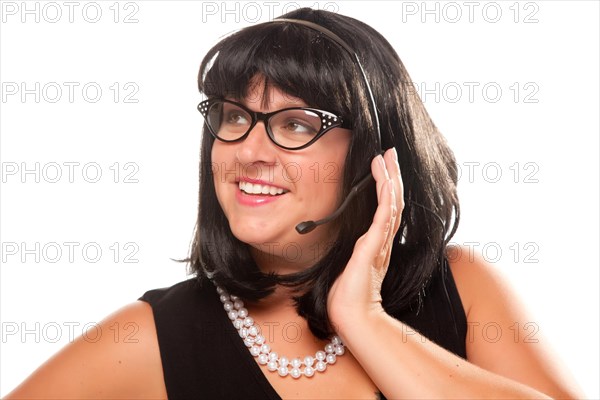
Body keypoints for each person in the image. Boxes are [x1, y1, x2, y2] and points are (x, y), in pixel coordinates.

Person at [4, 8, 582, 400]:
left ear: (374, 154)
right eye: (233, 117)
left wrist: (365, 320)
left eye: (294, 123)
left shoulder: (460, 286)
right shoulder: (149, 338)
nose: (248, 150)